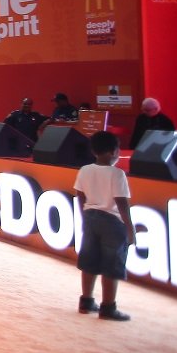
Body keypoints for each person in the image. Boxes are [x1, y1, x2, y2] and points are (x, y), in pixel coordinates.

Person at [73, 131, 135, 321]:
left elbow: (80, 194)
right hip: (112, 222)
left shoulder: (84, 170)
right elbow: (121, 202)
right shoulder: (117, 174)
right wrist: (130, 229)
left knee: (89, 260)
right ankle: (108, 307)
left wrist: (84, 215)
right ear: (113, 152)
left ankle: (86, 300)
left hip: (91, 218)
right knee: (111, 263)